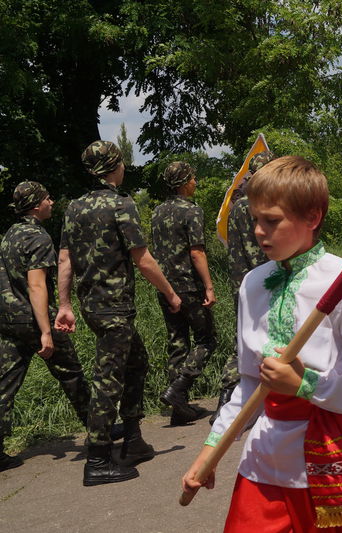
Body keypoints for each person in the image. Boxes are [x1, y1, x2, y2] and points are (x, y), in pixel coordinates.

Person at [182, 156, 342, 532]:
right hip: (265, 461)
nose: (258, 231)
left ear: (312, 217)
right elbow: (250, 382)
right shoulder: (253, 284)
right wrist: (210, 451)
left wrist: (307, 384)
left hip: (334, 463)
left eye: (272, 220)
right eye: (255, 219)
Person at [56, 140, 182, 486]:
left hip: (92, 306)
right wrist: (170, 293)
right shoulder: (121, 204)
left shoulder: (75, 208)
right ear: (115, 166)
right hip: (115, 307)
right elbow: (143, 259)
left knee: (136, 360)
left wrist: (65, 305)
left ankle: (133, 437)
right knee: (108, 378)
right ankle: (98, 459)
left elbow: (65, 259)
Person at [0, 182, 91, 472]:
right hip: (32, 317)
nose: (52, 201)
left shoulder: (10, 234)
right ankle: (99, 430)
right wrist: (45, 331)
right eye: (47, 198)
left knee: (5, 382)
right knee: (71, 372)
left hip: (6, 318)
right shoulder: (38, 237)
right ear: (36, 205)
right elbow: (37, 285)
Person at [151, 162, 217, 425]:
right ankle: (179, 389)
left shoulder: (156, 212)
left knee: (177, 341)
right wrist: (209, 286)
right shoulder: (192, 211)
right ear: (183, 182)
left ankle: (179, 409)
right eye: (192, 178)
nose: (196, 181)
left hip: (165, 286)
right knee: (207, 339)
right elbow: (196, 252)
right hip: (189, 286)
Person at [212, 150, 272, 424]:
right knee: (251, 340)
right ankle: (228, 401)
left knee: (246, 339)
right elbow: (255, 250)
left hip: (240, 281)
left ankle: (237, 401)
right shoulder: (253, 205)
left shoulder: (238, 204)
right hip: (256, 281)